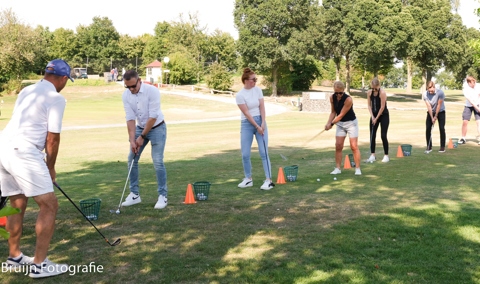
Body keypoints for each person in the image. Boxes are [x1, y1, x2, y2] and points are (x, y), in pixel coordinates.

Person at [0, 59, 72, 278]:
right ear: (63, 78)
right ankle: (40, 265)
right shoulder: (56, 98)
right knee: (49, 205)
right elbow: (53, 139)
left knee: (17, 203)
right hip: (24, 152)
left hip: (3, 148)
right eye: (66, 80)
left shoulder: (27, 90)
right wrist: (50, 167)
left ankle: (14, 257)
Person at [121, 70, 168, 209]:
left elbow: (153, 116)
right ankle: (134, 195)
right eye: (127, 87)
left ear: (139, 80)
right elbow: (130, 118)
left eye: (133, 86)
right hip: (140, 128)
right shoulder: (126, 95)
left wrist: (141, 137)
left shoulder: (152, 91)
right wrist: (132, 140)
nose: (131, 89)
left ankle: (162, 196)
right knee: (132, 159)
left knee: (158, 161)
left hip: (157, 127)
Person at [236, 68, 274, 190]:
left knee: (264, 152)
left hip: (260, 120)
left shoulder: (258, 90)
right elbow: (247, 113)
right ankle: (248, 179)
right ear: (246, 81)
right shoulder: (240, 95)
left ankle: (268, 180)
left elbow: (262, 107)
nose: (256, 81)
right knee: (245, 154)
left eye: (256, 79)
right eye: (254, 79)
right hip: (247, 124)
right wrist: (256, 126)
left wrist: (262, 123)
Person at [325, 81, 361, 175]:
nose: (339, 95)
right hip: (340, 124)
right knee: (338, 146)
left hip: (351, 123)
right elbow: (333, 112)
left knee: (353, 146)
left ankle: (357, 169)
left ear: (343, 90)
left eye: (340, 93)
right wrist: (328, 122)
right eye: (336, 93)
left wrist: (331, 124)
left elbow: (341, 115)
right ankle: (338, 169)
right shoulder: (332, 97)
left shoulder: (348, 99)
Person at [366, 78, 390, 163]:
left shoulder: (382, 93)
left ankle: (386, 155)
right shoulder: (369, 92)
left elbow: (382, 107)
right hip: (374, 115)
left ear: (379, 86)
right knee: (372, 135)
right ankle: (372, 155)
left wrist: (376, 118)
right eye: (372, 88)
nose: (374, 90)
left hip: (384, 115)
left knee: (383, 135)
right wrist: (372, 116)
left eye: (375, 88)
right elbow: (369, 105)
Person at [423, 81, 446, 153]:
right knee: (428, 128)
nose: (431, 92)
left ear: (434, 87)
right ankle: (429, 146)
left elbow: (439, 105)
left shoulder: (440, 93)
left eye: (432, 91)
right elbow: (429, 106)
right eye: (429, 91)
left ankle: (442, 147)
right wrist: (432, 117)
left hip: (441, 111)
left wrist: (436, 115)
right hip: (431, 111)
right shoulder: (425, 94)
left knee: (441, 128)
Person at [459, 76, 480, 144]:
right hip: (468, 106)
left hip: (478, 104)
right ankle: (463, 139)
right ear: (469, 83)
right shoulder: (466, 89)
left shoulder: (478, 86)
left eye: (475, 82)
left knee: (478, 122)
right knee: (465, 121)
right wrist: (479, 109)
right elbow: (471, 102)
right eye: (473, 83)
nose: (475, 84)